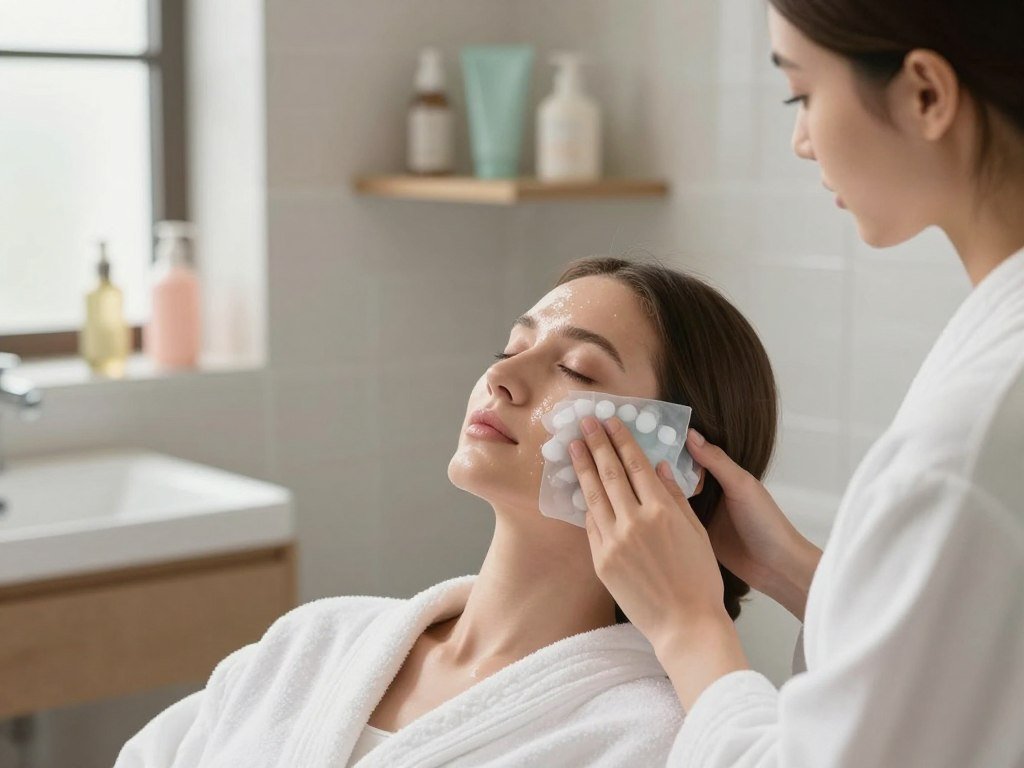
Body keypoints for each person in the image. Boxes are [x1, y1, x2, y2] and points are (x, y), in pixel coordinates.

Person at [573, 2, 1024, 766]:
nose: (801, 139)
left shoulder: (969, 444)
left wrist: (687, 623)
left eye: (802, 94)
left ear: (925, 93)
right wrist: (792, 569)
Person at [114, 256, 782, 767]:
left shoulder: (655, 736)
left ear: (675, 461)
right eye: (510, 349)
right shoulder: (314, 642)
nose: (501, 378)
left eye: (577, 370)